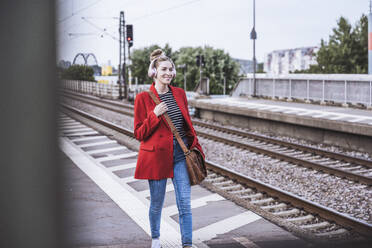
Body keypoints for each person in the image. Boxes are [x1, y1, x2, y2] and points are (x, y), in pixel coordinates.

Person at [133, 49, 205, 248]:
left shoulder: (180, 94)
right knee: (157, 204)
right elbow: (139, 133)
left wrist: (194, 147)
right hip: (156, 157)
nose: (168, 72)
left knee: (184, 203)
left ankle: (187, 244)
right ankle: (156, 239)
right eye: (163, 69)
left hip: (180, 155)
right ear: (154, 72)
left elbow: (186, 125)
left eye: (171, 69)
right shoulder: (143, 99)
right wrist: (154, 115)